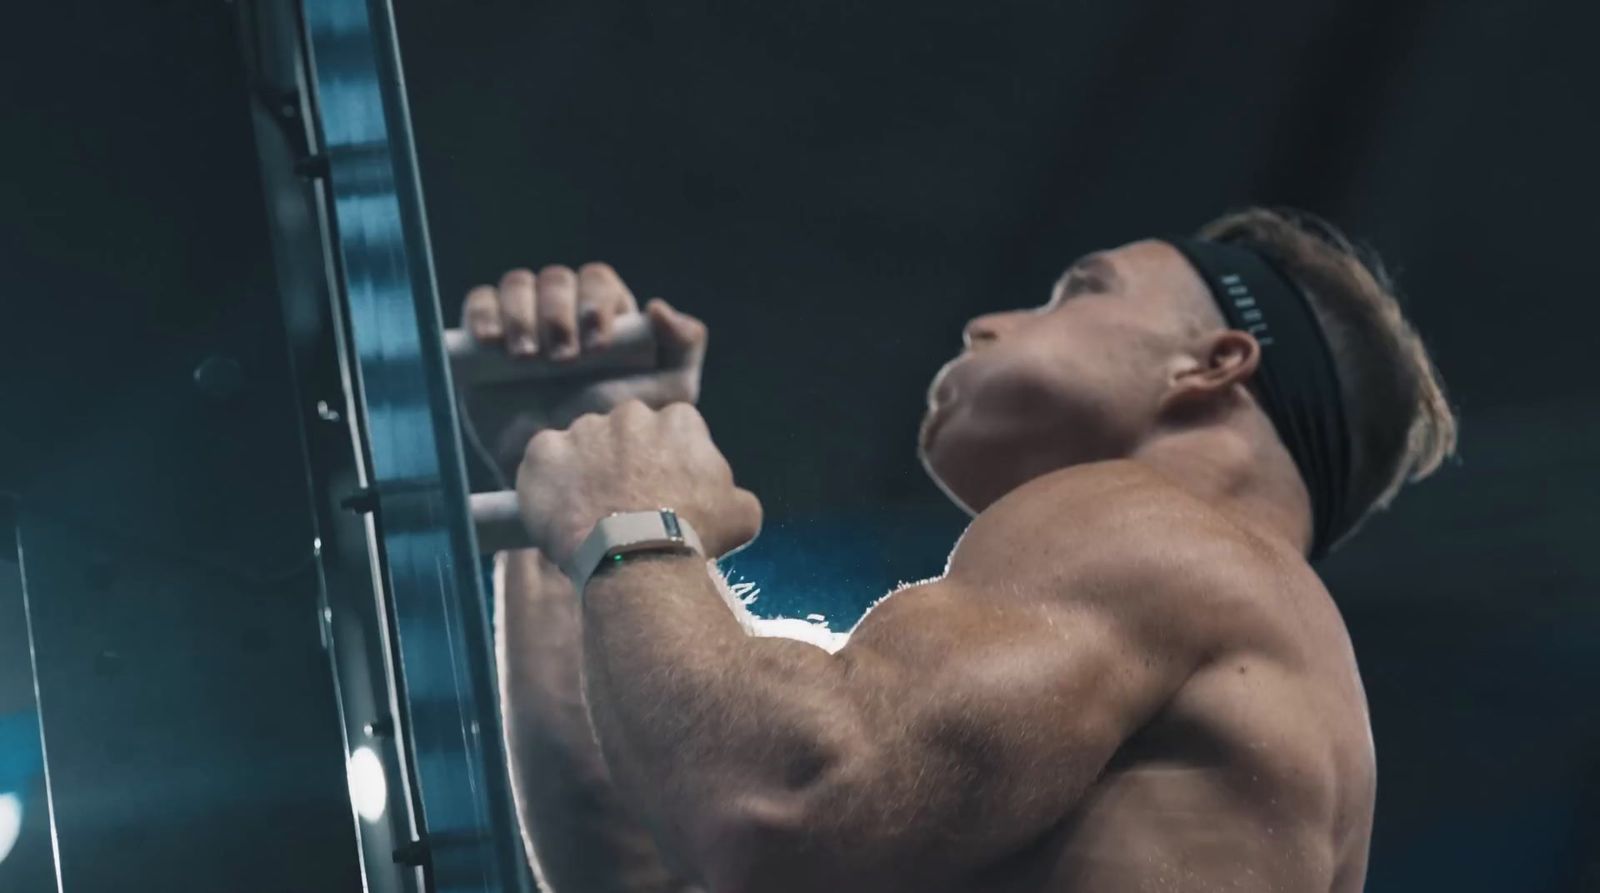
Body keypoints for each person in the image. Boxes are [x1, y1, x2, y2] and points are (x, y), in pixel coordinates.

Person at [462, 206, 1456, 893]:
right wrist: (570, 473)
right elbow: (644, 866)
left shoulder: (1164, 536)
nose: (990, 321)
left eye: (1081, 289)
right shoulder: (1250, 637)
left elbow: (776, 802)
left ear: (1212, 361)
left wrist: (635, 526)